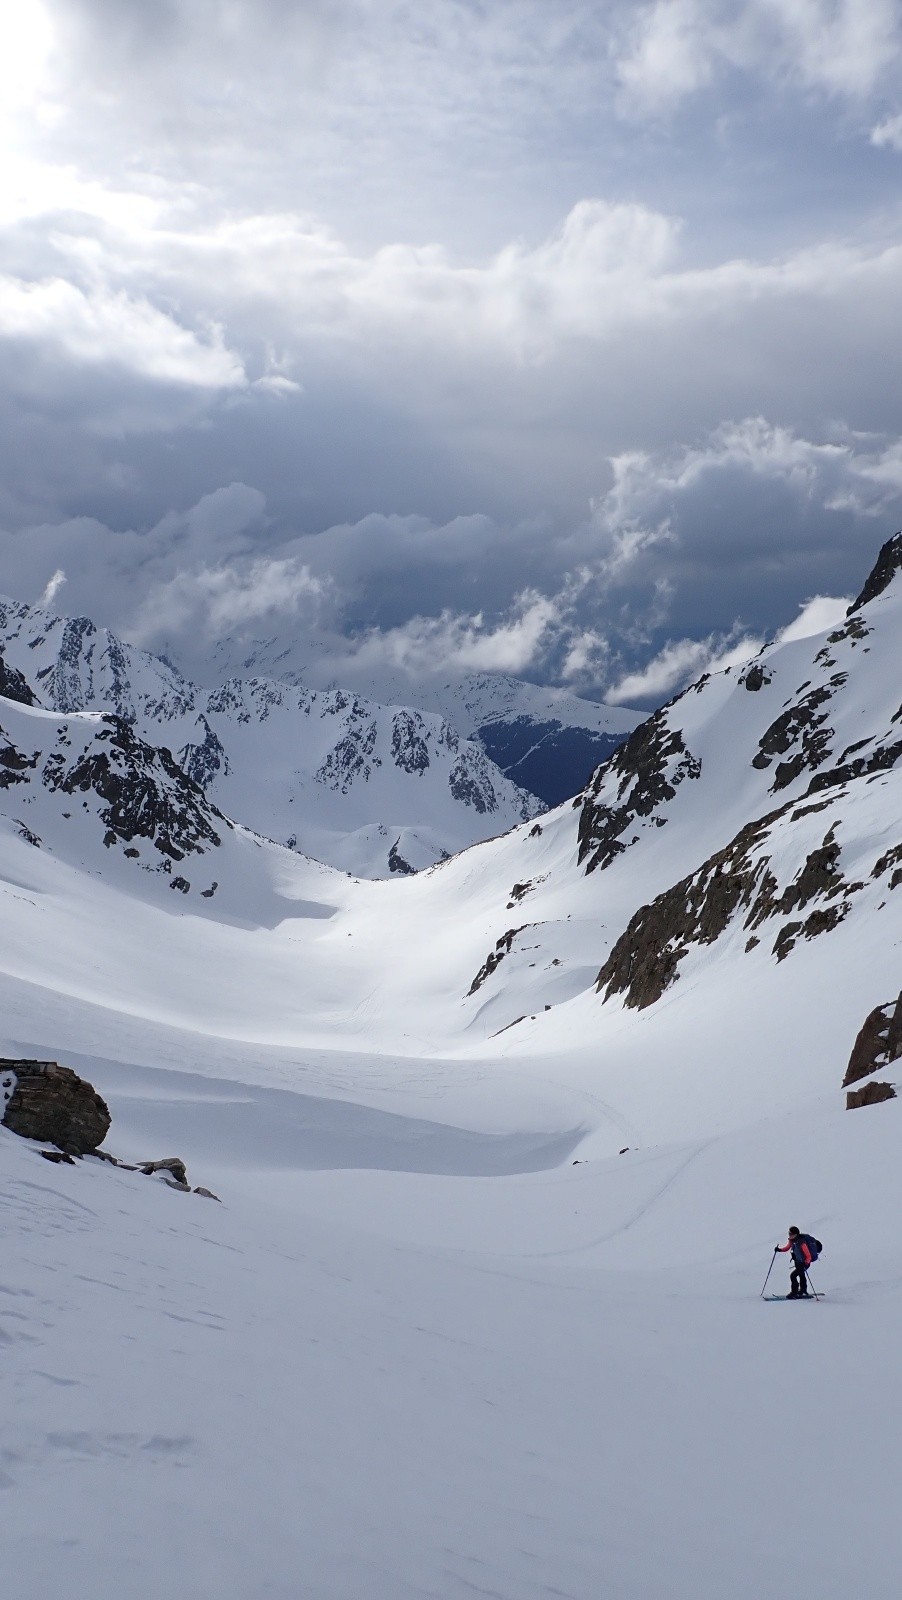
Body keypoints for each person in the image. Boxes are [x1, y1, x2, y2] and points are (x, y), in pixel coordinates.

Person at [776, 1226, 813, 1298]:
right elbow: (787, 1248)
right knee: (801, 1275)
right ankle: (803, 1290)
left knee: (793, 1276)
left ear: (796, 1234)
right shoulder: (792, 1241)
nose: (790, 1235)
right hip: (798, 1262)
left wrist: (805, 1263)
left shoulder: (802, 1243)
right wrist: (779, 1250)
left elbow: (808, 1256)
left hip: (803, 1263)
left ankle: (794, 1293)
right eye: (789, 1233)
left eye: (791, 1234)